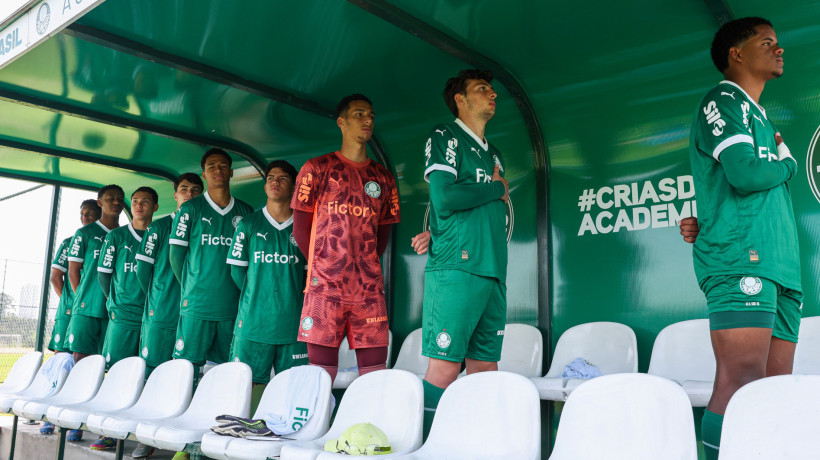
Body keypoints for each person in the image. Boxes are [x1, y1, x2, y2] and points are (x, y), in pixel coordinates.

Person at [689, 17, 801, 459]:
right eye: (767, 42)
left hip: (781, 266)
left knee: (772, 393)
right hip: (742, 259)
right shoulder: (723, 98)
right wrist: (789, 164)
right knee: (740, 383)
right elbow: (744, 173)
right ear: (737, 54)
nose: (779, 49)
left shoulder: (758, 114)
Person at [420, 69, 509, 437]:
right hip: (456, 267)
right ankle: (423, 444)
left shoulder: (495, 152)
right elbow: (445, 198)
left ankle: (478, 444)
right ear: (460, 99)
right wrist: (494, 189)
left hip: (493, 270)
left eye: (492, 90)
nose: (493, 95)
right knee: (444, 367)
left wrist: (494, 188)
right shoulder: (445, 135)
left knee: (486, 369)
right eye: (482, 89)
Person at [291, 94, 400, 384]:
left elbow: (382, 235)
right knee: (320, 379)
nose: (367, 120)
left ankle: (369, 427)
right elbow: (300, 230)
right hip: (325, 290)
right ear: (341, 122)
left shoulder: (384, 178)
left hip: (368, 291)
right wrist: (325, 266)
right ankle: (318, 428)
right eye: (359, 114)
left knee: (374, 377)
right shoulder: (316, 169)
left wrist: (361, 267)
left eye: (372, 115)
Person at [132, 173, 202, 460]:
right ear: (175, 195)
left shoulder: (204, 225)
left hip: (195, 311)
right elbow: (142, 271)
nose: (189, 193)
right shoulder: (160, 226)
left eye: (195, 190)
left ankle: (185, 444)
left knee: (190, 375)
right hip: (162, 311)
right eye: (184, 189)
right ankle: (146, 437)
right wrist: (157, 297)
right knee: (153, 374)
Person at [170, 149, 253, 373]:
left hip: (232, 306)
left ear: (231, 172)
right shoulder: (189, 209)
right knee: (185, 370)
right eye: (212, 166)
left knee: (225, 370)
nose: (218, 170)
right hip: (197, 304)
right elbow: (176, 256)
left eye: (223, 166)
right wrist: (190, 286)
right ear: (204, 174)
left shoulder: (246, 212)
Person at [226, 160, 308, 388]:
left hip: (291, 326)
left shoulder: (304, 228)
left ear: (293, 187)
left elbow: (306, 278)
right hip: (254, 324)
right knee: (245, 388)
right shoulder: (248, 224)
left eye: (283, 178)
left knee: (292, 388)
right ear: (264, 186)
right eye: (271, 178)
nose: (275, 182)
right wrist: (258, 294)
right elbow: (237, 272)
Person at [90, 187, 157, 451]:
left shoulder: (160, 233)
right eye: (136, 202)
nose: (139, 206)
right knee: (117, 372)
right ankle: (112, 432)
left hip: (153, 316)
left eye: (145, 202)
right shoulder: (117, 237)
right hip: (123, 315)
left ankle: (145, 437)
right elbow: (104, 275)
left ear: (155, 205)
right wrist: (114, 301)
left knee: (149, 375)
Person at [40, 199, 101, 436]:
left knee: (87, 361)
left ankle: (74, 421)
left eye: (90, 213)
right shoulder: (69, 242)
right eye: (82, 214)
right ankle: (50, 415)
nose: (85, 218)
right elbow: (57, 278)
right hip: (71, 312)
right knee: (61, 360)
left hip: (96, 312)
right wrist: (76, 301)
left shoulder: (110, 239)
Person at [66, 185, 125, 362]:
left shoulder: (125, 235)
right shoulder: (85, 233)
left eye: (120, 199)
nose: (116, 202)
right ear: (100, 202)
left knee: (111, 360)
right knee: (81, 358)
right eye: (110, 198)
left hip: (115, 308)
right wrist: (82, 298)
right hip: (87, 308)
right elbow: (73, 270)